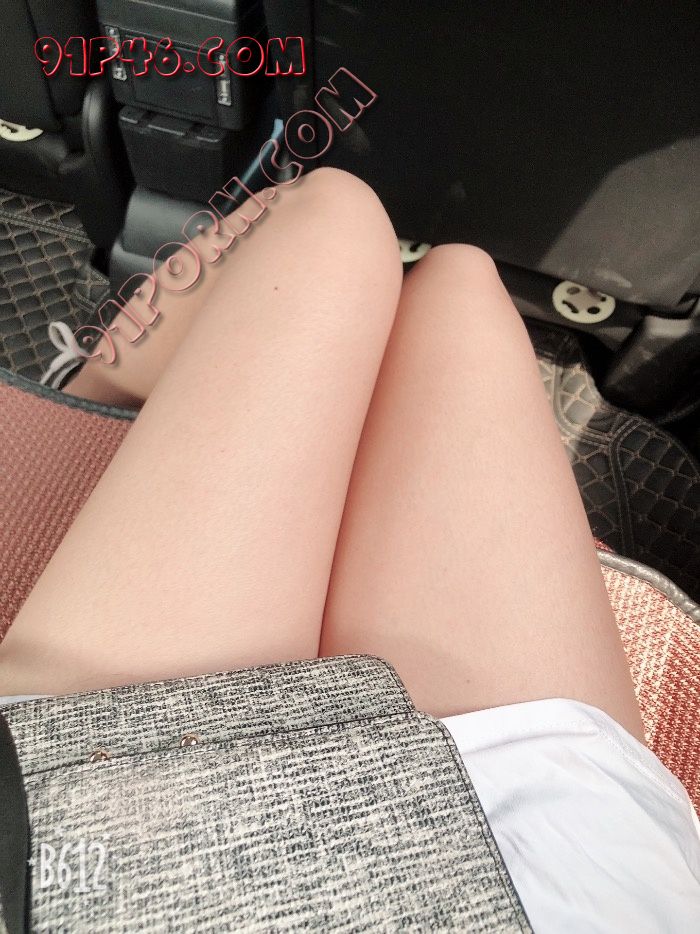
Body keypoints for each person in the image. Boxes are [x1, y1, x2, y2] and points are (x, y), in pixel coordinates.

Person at [0, 168, 698, 929]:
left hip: (120, 806)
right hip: (549, 848)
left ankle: (93, 398)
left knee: (331, 213)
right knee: (460, 278)